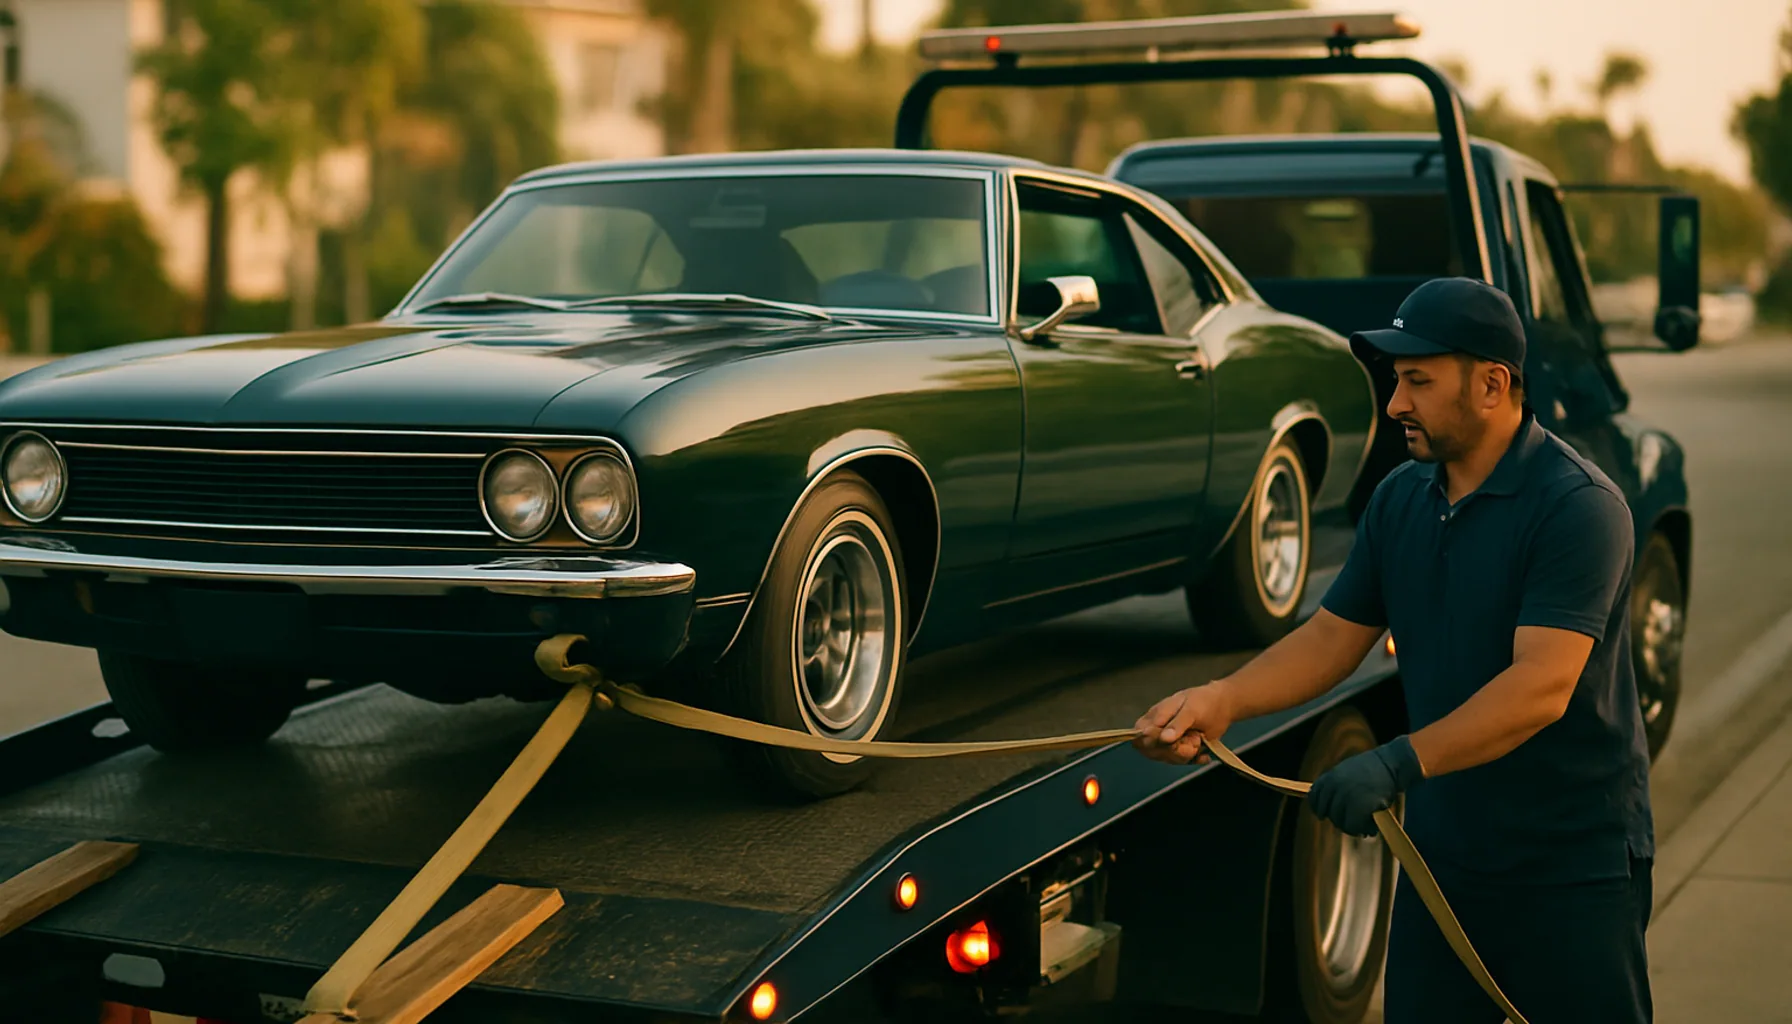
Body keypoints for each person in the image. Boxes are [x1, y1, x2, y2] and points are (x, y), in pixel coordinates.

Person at [1135, 277, 1654, 1023]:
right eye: (1394, 380)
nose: (1394, 404)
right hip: (1442, 858)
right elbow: (1330, 639)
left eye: (1417, 380)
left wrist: (1395, 761)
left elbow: (1541, 686)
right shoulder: (1402, 497)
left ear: (1492, 385)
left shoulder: (1578, 509)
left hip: (1570, 866)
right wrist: (1222, 701)